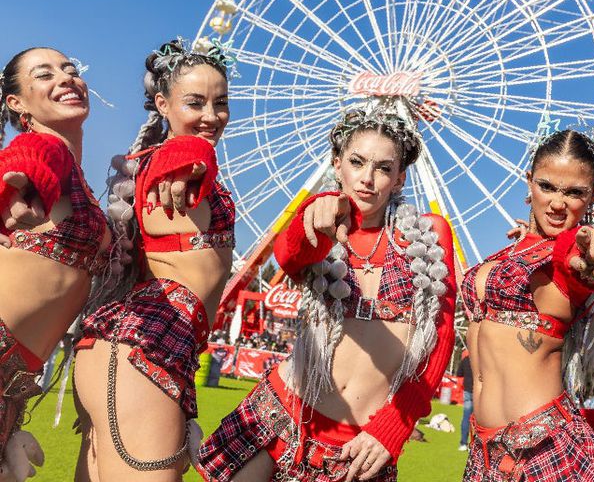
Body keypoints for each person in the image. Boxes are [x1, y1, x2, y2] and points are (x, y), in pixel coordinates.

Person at [197, 106, 457, 481]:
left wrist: (394, 427)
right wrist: (313, 216)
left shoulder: (428, 236)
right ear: (337, 164)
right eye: (357, 162)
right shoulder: (321, 224)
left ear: (399, 179)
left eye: (384, 168)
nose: (367, 178)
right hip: (282, 412)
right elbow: (289, 256)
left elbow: (440, 339)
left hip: (358, 446)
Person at [74, 40, 235, 480]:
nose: (211, 115)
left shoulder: (168, 166)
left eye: (221, 103)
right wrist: (191, 155)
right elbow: (183, 157)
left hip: (126, 350)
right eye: (195, 103)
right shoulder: (176, 162)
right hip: (145, 352)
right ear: (163, 104)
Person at [460, 128, 594, 482]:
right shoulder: (509, 252)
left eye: (574, 192)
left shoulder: (569, 252)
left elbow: (587, 262)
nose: (557, 203)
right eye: (547, 186)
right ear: (529, 181)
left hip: (545, 451)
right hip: (485, 453)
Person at [0, 47, 112, 480]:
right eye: (45, 74)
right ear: (17, 103)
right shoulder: (46, 148)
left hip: (13, 387)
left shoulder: (81, 180)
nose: (66, 78)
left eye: (71, 70)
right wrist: (24, 187)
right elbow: (30, 160)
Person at [455, 350, 473, 452]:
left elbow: (459, 373)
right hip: (479, 393)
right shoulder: (481, 360)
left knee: (466, 418)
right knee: (479, 421)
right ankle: (475, 445)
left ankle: (463, 443)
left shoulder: (466, 360)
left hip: (468, 391)